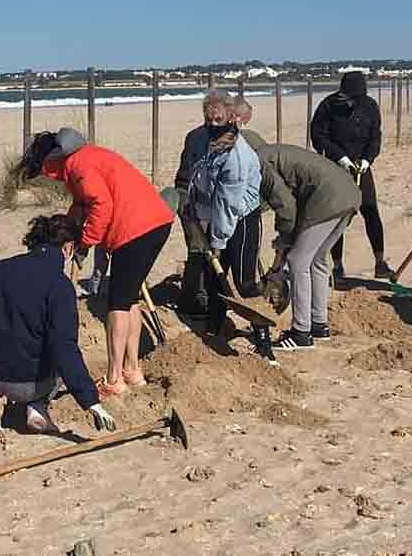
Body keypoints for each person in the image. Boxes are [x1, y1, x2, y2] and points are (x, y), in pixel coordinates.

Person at [19, 127, 174, 398]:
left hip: (135, 228)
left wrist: (84, 244)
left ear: (52, 159)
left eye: (46, 171)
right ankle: (132, 370)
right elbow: (82, 205)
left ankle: (114, 379)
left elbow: (101, 206)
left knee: (117, 304)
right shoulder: (85, 159)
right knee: (129, 299)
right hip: (155, 221)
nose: (49, 178)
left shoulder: (80, 167)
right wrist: (69, 231)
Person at [0, 215, 117, 439]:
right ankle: (37, 408)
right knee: (58, 364)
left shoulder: (1, 268)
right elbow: (64, 348)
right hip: (28, 383)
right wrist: (91, 402)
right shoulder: (60, 285)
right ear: (67, 248)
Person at [186, 113, 274, 362]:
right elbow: (200, 184)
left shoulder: (237, 156)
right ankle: (214, 333)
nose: (212, 133)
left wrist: (217, 242)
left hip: (242, 219)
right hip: (218, 219)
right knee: (215, 279)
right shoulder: (205, 145)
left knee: (245, 282)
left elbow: (228, 205)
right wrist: (194, 212)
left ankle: (264, 344)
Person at [258, 144, 361, 350]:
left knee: (298, 261)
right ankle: (318, 325)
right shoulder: (270, 154)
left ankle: (301, 333)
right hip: (349, 193)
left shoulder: (259, 163)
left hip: (328, 197)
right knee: (317, 259)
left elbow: (286, 206)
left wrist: (283, 250)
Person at [311, 71, 393, 281]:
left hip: (361, 167)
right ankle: (337, 266)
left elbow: (375, 137)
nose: (345, 100)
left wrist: (367, 159)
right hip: (335, 167)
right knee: (339, 216)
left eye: (349, 97)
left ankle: (380, 262)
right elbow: (318, 135)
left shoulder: (370, 107)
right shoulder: (328, 105)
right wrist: (340, 157)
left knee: (371, 211)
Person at [173, 90, 235, 317]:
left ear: (230, 115)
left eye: (218, 120)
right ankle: (194, 302)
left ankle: (214, 296)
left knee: (218, 251)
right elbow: (185, 175)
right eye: (209, 120)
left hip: (219, 202)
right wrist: (187, 204)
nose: (213, 124)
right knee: (198, 250)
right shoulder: (195, 137)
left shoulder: (235, 139)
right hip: (192, 200)